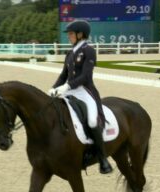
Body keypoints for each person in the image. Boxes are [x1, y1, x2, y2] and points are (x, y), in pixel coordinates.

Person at [48, 20, 112, 174]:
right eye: (69, 34)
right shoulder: (70, 53)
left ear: (80, 34)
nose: (69, 36)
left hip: (85, 90)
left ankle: (103, 158)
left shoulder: (89, 50)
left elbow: (85, 76)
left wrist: (67, 86)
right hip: (70, 90)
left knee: (91, 120)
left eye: (71, 34)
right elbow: (64, 75)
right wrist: (54, 88)